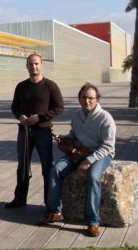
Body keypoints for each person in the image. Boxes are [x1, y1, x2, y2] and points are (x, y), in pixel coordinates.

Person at [37, 83, 116, 237]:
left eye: (90, 98)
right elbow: (75, 134)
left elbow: (108, 145)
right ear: (79, 99)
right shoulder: (77, 115)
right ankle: (54, 212)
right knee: (55, 170)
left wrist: (89, 160)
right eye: (84, 97)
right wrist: (66, 138)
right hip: (77, 152)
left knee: (93, 177)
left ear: (97, 99)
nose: (87, 101)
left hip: (101, 154)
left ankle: (92, 222)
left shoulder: (105, 118)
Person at [6, 53, 64, 209]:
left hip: (42, 133)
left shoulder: (50, 86)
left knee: (47, 167)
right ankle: (20, 199)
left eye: (36, 63)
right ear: (27, 66)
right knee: (23, 167)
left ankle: (49, 202)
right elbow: (14, 107)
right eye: (30, 64)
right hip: (24, 132)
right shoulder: (21, 86)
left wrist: (40, 117)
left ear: (41, 64)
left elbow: (59, 107)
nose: (34, 66)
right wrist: (20, 116)